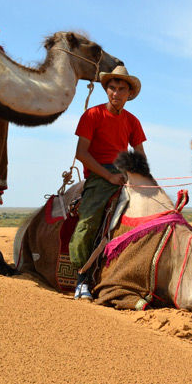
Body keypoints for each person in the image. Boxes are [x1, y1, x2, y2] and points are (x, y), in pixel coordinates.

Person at [69, 65, 146, 301]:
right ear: (106, 90)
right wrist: (109, 176)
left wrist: (139, 176)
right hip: (100, 175)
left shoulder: (133, 121)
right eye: (112, 88)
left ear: (129, 94)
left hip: (125, 173)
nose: (116, 93)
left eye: (121, 89)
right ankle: (81, 279)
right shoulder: (92, 115)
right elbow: (81, 153)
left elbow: (140, 154)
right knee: (88, 223)